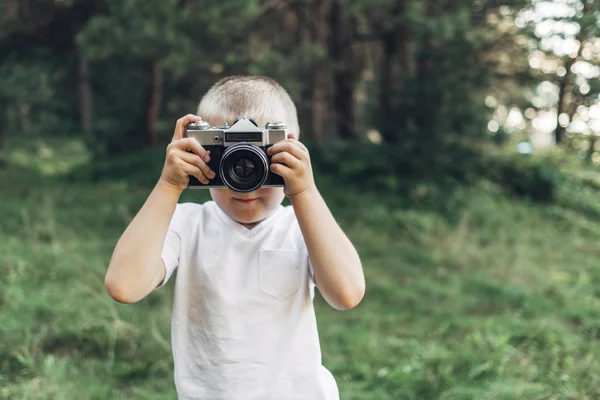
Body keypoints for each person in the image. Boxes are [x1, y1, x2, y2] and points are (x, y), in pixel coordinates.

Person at [104, 75, 365, 400]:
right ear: (201, 150)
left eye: (257, 158)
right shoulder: (187, 225)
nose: (244, 179)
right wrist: (169, 185)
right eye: (228, 157)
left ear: (289, 149)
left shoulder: (302, 227)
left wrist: (304, 190)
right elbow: (124, 286)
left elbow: (347, 294)